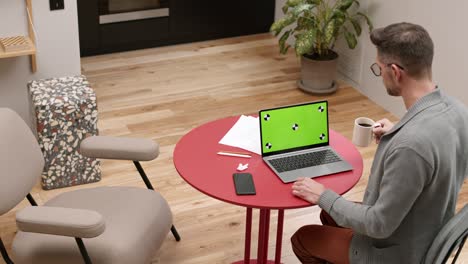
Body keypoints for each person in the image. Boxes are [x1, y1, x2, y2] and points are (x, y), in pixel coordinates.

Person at [290, 22, 468, 264]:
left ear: (395, 72)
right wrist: (397, 133)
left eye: (379, 68)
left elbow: (378, 224)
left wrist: (323, 194)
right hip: (426, 230)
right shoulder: (459, 111)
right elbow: (436, 151)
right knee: (329, 214)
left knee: (303, 238)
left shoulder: (410, 146)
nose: (380, 73)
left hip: (397, 254)